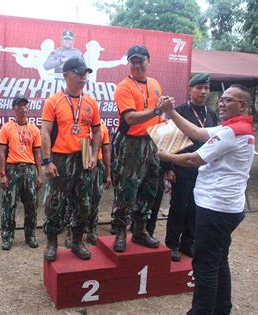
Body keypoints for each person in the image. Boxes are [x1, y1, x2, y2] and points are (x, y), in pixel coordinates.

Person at [158, 84, 255, 314]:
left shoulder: (234, 132)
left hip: (216, 208)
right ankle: (222, 309)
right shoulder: (233, 127)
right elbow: (198, 133)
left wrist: (165, 156)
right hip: (225, 207)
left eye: (228, 100)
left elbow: (194, 160)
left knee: (205, 266)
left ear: (242, 105)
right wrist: (171, 113)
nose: (221, 103)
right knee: (218, 260)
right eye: (221, 99)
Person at [111, 44, 174, 252]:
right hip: (130, 143)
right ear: (128, 64)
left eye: (141, 60)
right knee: (126, 189)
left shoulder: (155, 84)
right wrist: (157, 109)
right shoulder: (124, 87)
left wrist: (164, 116)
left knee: (149, 187)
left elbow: (158, 115)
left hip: (152, 141)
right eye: (133, 61)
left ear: (148, 61)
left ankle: (139, 230)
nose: (137, 65)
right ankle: (120, 231)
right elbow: (130, 118)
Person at [41, 57, 102, 261]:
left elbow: (97, 132)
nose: (83, 77)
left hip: (83, 158)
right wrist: (48, 161)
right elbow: (45, 132)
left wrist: (94, 155)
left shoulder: (91, 102)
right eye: (79, 72)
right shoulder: (54, 101)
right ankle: (52, 243)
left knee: (83, 203)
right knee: (55, 203)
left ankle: (77, 241)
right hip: (60, 159)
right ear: (66, 75)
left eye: (85, 73)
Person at [165, 73, 218, 262]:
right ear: (190, 89)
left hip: (203, 171)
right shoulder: (178, 111)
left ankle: (189, 242)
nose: (203, 92)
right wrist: (168, 168)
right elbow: (167, 142)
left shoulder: (212, 115)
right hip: (181, 168)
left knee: (196, 207)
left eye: (206, 88)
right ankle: (172, 244)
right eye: (199, 88)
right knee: (179, 206)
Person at [0, 95, 42, 250]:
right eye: (19, 105)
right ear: (14, 109)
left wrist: (39, 174)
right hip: (12, 170)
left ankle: (30, 235)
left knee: (31, 205)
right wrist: (3, 174)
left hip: (29, 170)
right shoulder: (6, 128)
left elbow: (37, 153)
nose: (22, 108)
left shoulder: (35, 129)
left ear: (28, 108)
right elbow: (2, 152)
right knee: (8, 205)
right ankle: (7, 237)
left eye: (25, 105)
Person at [63, 123, 111, 247]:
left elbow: (106, 151)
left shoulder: (102, 128)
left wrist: (108, 173)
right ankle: (70, 232)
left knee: (95, 198)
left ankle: (92, 230)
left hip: (96, 166)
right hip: (78, 165)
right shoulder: (76, 126)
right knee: (73, 200)